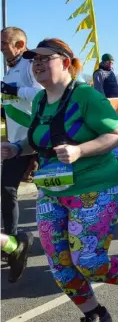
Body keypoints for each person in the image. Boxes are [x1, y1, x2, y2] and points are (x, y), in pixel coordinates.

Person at [0, 38, 118, 322]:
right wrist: (17, 148)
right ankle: (95, 314)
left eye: (45, 59)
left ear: (66, 63)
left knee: (90, 262)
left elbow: (116, 135)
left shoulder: (86, 96)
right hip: (51, 189)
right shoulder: (39, 100)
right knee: (60, 265)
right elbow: (43, 142)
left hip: (93, 186)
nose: (38, 65)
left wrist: (79, 150)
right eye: (34, 61)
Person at [0, 27, 43, 244]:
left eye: (4, 43)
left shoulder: (30, 65)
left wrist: (13, 91)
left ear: (20, 44)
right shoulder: (9, 70)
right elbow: (10, 103)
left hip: (39, 138)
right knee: (6, 190)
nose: (0, 47)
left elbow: (42, 94)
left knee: (52, 189)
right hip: (18, 143)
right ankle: (12, 239)